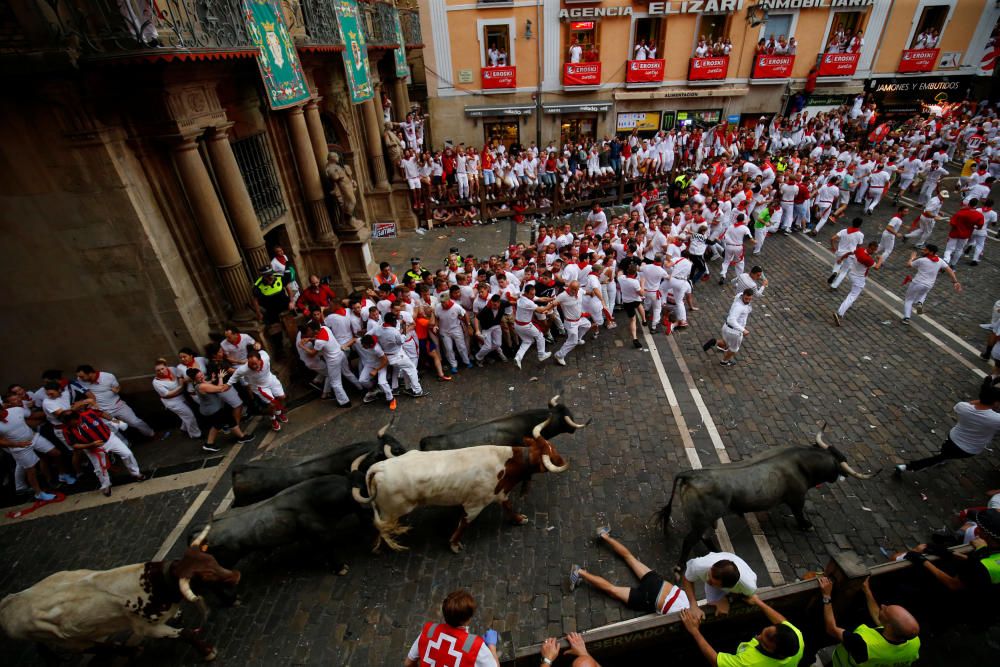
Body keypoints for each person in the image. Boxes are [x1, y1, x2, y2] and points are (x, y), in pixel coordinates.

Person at [569, 527, 690, 616]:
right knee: (612, 589)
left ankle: (604, 535)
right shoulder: (685, 619)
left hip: (659, 583)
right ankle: (579, 572)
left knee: (629, 557)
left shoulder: (691, 603)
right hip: (649, 599)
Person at [814, 575, 920, 666]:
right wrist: (867, 590)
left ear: (889, 626)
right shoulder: (913, 640)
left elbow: (831, 628)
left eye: (886, 610)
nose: (882, 606)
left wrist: (827, 596)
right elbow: (879, 617)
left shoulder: (864, 645)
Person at [895, 383, 1000, 474]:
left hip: (953, 437)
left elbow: (972, 403)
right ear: (995, 402)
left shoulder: (962, 407)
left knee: (944, 454)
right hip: (968, 449)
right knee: (939, 458)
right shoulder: (995, 419)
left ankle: (940, 458)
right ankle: (908, 467)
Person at [681, 594, 803, 667]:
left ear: (777, 653)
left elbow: (715, 661)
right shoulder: (796, 636)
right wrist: (758, 602)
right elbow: (782, 621)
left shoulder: (749, 663)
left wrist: (694, 631)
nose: (758, 637)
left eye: (764, 643)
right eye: (763, 633)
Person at [404, 589, 499, 667]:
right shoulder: (475, 646)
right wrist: (492, 646)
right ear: (468, 619)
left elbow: (408, 663)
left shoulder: (429, 630)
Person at [62, 407, 144, 497]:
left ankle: (136, 474)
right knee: (99, 469)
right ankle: (106, 485)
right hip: (92, 448)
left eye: (73, 423)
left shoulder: (89, 413)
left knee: (127, 454)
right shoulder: (66, 429)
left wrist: (113, 420)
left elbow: (102, 413)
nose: (72, 425)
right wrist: (90, 445)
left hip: (110, 439)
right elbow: (74, 445)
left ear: (76, 418)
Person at [0, 403, 73, 501]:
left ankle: (62, 475)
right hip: (19, 447)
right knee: (31, 470)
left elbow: (31, 416)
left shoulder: (17, 410)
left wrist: (48, 413)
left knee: (56, 453)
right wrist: (16, 444)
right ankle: (39, 493)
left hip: (34, 437)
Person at [75, 365, 156, 439]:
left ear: (90, 374)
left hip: (118, 406)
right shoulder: (80, 381)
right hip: (102, 411)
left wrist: (117, 389)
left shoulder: (108, 376)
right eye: (79, 376)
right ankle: (124, 446)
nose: (79, 378)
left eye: (82, 376)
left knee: (135, 422)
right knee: (111, 430)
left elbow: (117, 387)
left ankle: (151, 434)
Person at [186, 368, 255, 453]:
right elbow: (220, 389)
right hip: (214, 410)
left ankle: (209, 444)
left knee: (217, 425)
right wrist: (221, 377)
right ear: (194, 379)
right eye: (199, 377)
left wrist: (212, 380)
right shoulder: (202, 386)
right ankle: (242, 437)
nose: (202, 377)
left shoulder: (199, 383)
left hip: (211, 409)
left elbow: (210, 385)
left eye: (202, 375)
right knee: (230, 421)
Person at [681, 552, 758, 620]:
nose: (707, 582)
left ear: (728, 588)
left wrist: (727, 598)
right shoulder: (699, 565)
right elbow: (687, 578)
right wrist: (693, 605)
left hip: (736, 585)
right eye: (709, 576)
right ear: (711, 568)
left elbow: (748, 597)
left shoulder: (748, 586)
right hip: (718, 566)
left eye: (712, 583)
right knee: (714, 604)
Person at [228, 348, 287, 432]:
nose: (253, 366)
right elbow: (235, 376)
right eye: (251, 364)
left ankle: (278, 412)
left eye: (255, 364)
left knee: (282, 397)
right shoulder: (244, 369)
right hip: (260, 387)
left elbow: (261, 350)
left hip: (271, 380)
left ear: (260, 360)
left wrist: (258, 346)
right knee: (272, 405)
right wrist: (227, 385)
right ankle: (273, 420)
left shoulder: (265, 357)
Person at [900, 244, 961, 325]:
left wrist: (912, 258)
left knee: (909, 300)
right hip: (928, 285)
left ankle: (906, 318)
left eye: (925, 250)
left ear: (931, 252)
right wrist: (955, 281)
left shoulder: (922, 260)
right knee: (922, 295)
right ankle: (919, 306)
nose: (922, 251)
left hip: (917, 283)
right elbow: (949, 270)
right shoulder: (940, 261)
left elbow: (908, 265)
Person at [703, 288, 755, 367]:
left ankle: (715, 342)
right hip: (735, 332)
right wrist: (743, 330)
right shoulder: (739, 307)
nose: (747, 300)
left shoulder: (739, 296)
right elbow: (731, 320)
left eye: (750, 299)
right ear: (743, 296)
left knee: (726, 342)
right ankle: (724, 361)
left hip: (726, 328)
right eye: (746, 298)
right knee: (734, 349)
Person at [151, 358, 201, 440]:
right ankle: (196, 435)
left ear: (166, 367)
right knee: (189, 416)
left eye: (162, 369)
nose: (161, 371)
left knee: (185, 415)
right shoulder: (156, 382)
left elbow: (180, 374)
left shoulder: (172, 369)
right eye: (158, 370)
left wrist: (181, 380)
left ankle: (183, 429)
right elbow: (167, 394)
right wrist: (180, 387)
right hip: (172, 402)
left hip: (182, 396)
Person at [834, 241, 880, 326]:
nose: (874, 251)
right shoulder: (867, 259)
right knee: (852, 296)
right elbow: (877, 267)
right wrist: (880, 259)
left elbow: (850, 253)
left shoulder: (860, 250)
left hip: (851, 273)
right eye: (873, 250)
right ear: (869, 247)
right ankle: (840, 313)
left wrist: (841, 258)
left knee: (853, 294)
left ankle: (847, 306)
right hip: (859, 278)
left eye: (875, 250)